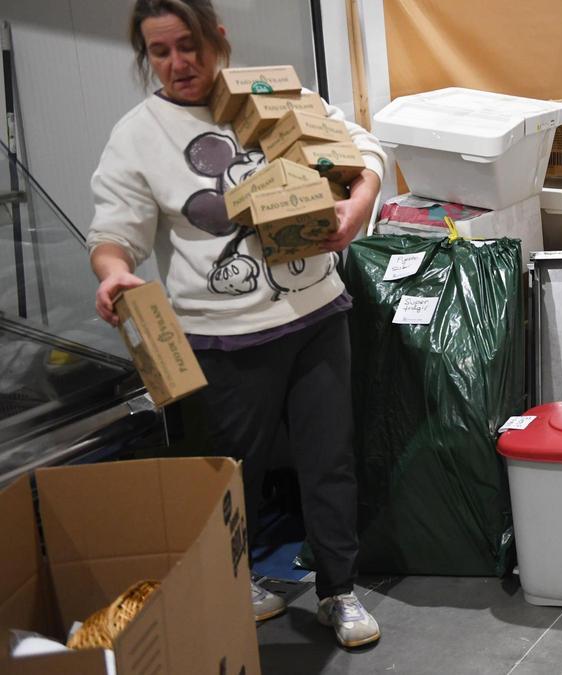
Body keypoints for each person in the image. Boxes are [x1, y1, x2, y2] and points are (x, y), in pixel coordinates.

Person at [87, 0, 385, 649]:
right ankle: (238, 581)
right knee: (230, 477)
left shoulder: (272, 95)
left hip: (314, 317)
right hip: (221, 337)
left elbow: (360, 148)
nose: (177, 63)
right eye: (159, 52)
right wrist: (112, 271)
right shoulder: (139, 134)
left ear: (217, 37)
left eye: (187, 45)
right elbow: (115, 230)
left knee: (328, 459)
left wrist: (358, 205)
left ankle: (339, 589)